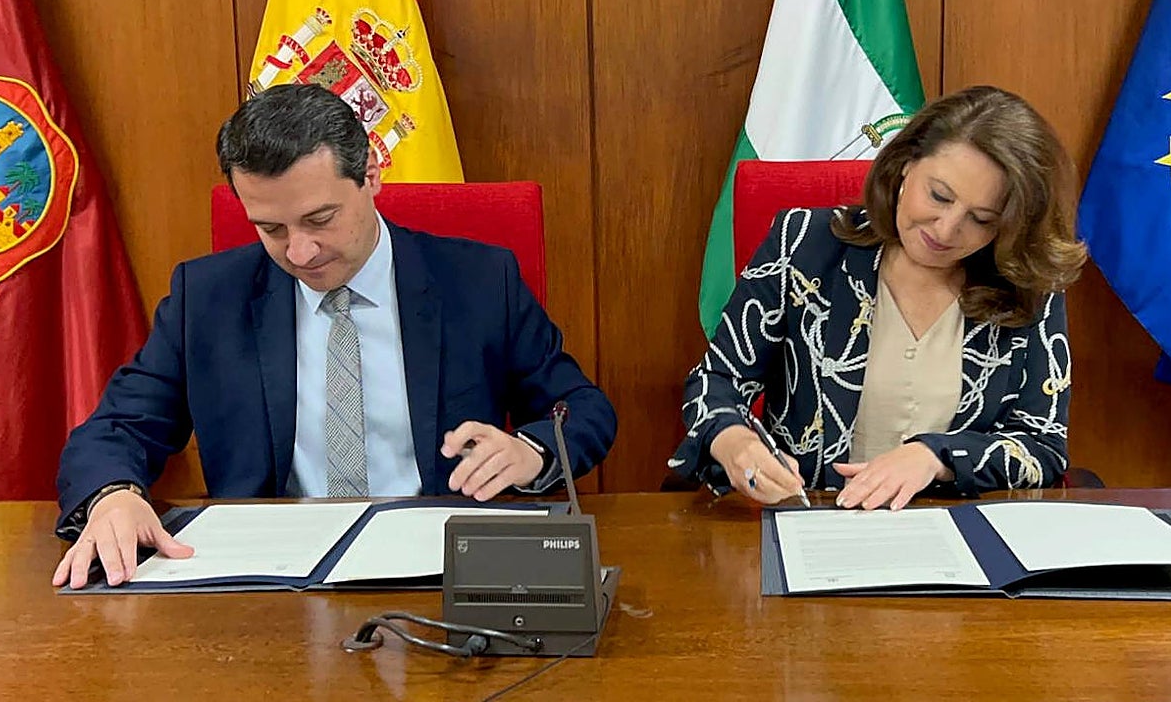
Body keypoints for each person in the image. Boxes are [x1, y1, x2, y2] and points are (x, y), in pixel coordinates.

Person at [53, 83, 616, 589]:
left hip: (440, 570)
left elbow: (584, 408)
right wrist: (113, 496)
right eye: (271, 229)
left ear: (370, 176)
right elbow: (116, 429)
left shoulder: (478, 281)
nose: (299, 253)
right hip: (266, 585)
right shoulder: (207, 298)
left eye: (320, 219)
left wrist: (531, 451)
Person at [669, 85, 1086, 510]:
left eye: (981, 220)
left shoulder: (1025, 283)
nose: (945, 230)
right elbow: (716, 382)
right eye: (939, 196)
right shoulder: (804, 244)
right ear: (905, 164)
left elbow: (1042, 446)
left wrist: (935, 458)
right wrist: (733, 440)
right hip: (811, 519)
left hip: (957, 535)